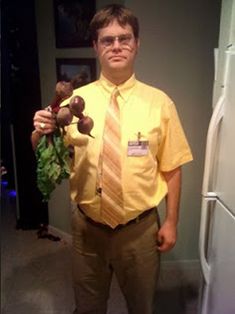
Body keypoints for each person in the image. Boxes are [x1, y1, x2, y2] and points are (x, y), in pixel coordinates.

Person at [31, 4, 193, 314]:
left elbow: (172, 166)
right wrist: (39, 129)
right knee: (88, 306)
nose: (116, 46)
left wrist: (171, 221)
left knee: (142, 307)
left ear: (137, 44)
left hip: (140, 231)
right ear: (95, 45)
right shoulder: (72, 103)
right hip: (86, 229)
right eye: (107, 40)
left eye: (124, 38)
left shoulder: (160, 104)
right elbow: (42, 150)